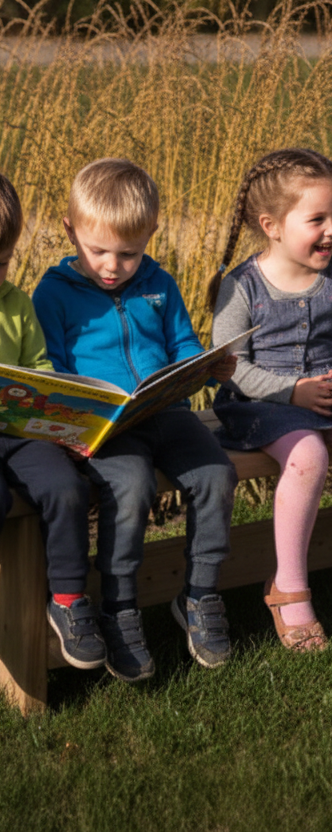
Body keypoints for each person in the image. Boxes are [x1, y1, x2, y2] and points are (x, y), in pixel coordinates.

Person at [33, 159, 238, 682]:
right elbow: (52, 369)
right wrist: (76, 422)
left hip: (166, 413)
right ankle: (119, 609)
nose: (113, 266)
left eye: (129, 253)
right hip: (107, 430)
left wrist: (205, 366)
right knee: (131, 486)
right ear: (70, 230)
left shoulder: (158, 283)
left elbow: (182, 343)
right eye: (98, 251)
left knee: (217, 474)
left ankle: (200, 595)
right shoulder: (53, 293)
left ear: (151, 234)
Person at [209, 148, 332, 651]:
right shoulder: (241, 286)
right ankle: (289, 585)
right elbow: (229, 366)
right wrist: (292, 392)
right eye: (317, 219)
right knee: (308, 455)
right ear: (272, 226)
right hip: (264, 404)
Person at [0, 174, 105, 671]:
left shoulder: (17, 304)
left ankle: (68, 599)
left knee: (65, 488)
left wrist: (54, 410)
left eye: (1, 263)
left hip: (18, 432)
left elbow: (39, 367)